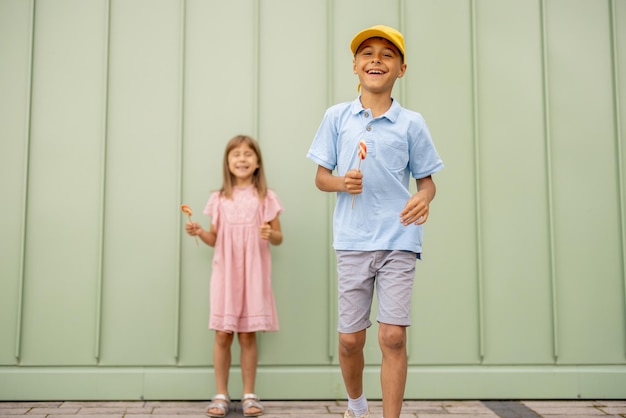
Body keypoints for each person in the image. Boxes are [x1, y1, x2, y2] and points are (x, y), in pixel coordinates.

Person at [306, 25, 444, 418]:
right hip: (351, 241)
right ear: (355, 66)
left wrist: (423, 197)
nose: (376, 59)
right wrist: (341, 181)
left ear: (402, 69)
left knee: (392, 336)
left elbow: (427, 182)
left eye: (387, 54)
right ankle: (356, 406)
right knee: (350, 340)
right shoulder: (337, 118)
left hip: (399, 237)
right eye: (367, 53)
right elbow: (320, 179)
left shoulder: (411, 123)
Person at [185, 134, 283, 417]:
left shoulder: (266, 197)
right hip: (225, 275)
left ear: (257, 162)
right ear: (227, 163)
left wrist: (270, 233)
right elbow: (215, 238)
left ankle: (249, 395)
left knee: (248, 335)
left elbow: (278, 237)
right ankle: (221, 394)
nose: (242, 159)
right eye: (236, 154)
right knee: (222, 334)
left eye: (248, 154)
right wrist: (200, 232)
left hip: (253, 275)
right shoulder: (218, 199)